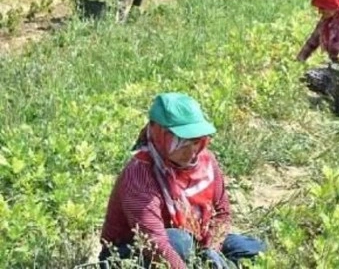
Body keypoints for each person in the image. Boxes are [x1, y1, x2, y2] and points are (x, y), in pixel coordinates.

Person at [98, 93, 266, 269]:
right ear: (159, 135)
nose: (191, 151)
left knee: (253, 248)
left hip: (193, 241)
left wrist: (212, 249)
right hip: (132, 254)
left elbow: (222, 213)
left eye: (196, 141)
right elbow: (154, 243)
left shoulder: (206, 162)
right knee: (180, 242)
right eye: (181, 141)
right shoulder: (139, 175)